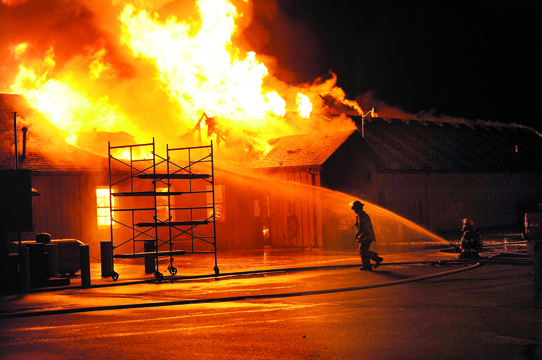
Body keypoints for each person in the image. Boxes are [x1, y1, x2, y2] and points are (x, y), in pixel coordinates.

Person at [350, 200, 383, 270]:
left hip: (366, 236)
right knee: (363, 251)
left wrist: (357, 233)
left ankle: (376, 259)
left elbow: (362, 225)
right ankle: (367, 266)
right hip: (365, 235)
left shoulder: (361, 215)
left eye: (354, 208)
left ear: (358, 208)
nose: (353, 210)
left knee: (363, 251)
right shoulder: (361, 215)